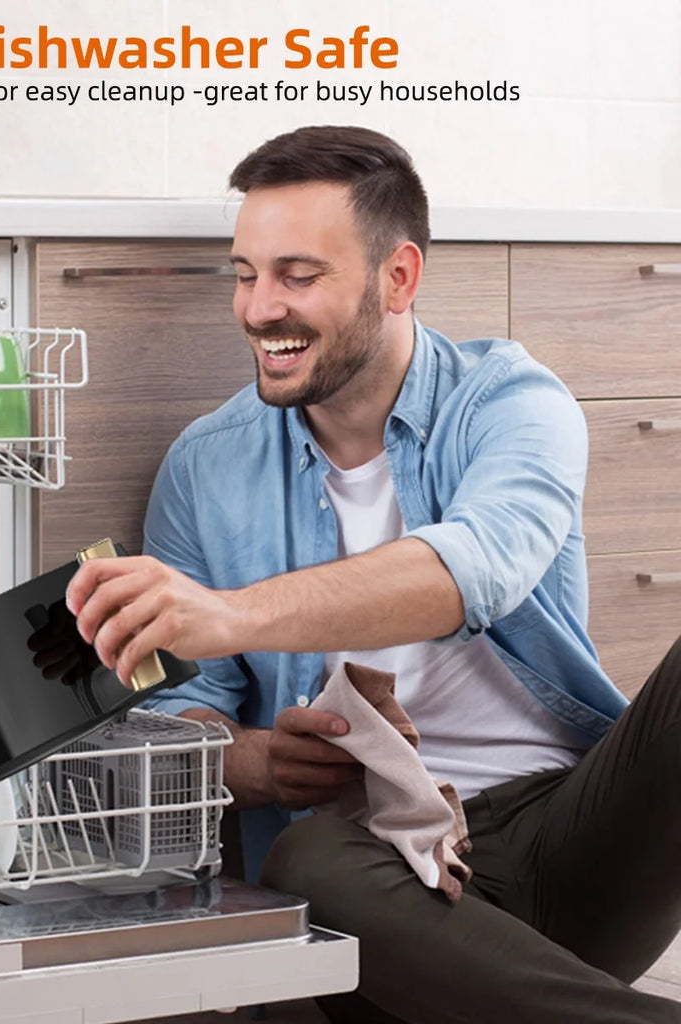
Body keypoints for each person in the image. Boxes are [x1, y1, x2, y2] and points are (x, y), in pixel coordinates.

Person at [64, 125, 681, 1023]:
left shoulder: (512, 401)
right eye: (245, 273)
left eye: (298, 276)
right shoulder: (207, 465)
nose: (258, 308)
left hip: (564, 839)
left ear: (398, 278)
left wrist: (233, 614)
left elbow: (474, 570)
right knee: (304, 864)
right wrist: (267, 762)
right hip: (373, 880)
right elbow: (175, 718)